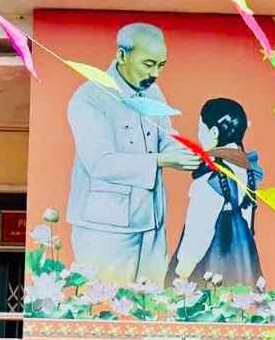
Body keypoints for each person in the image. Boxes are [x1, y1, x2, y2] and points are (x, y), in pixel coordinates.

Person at [64, 21, 204, 285]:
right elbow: (100, 163)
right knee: (109, 301)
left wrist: (189, 154)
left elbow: (165, 136)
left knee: (152, 303)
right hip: (105, 229)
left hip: (151, 222)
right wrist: (162, 160)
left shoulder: (152, 92)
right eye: (148, 64)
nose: (155, 73)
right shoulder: (89, 98)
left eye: (161, 65)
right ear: (122, 56)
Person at [169, 95, 262, 285]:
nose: (199, 135)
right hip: (243, 261)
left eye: (200, 129)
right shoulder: (248, 169)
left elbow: (199, 231)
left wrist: (182, 270)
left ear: (213, 132)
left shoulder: (210, 178)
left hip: (211, 265)